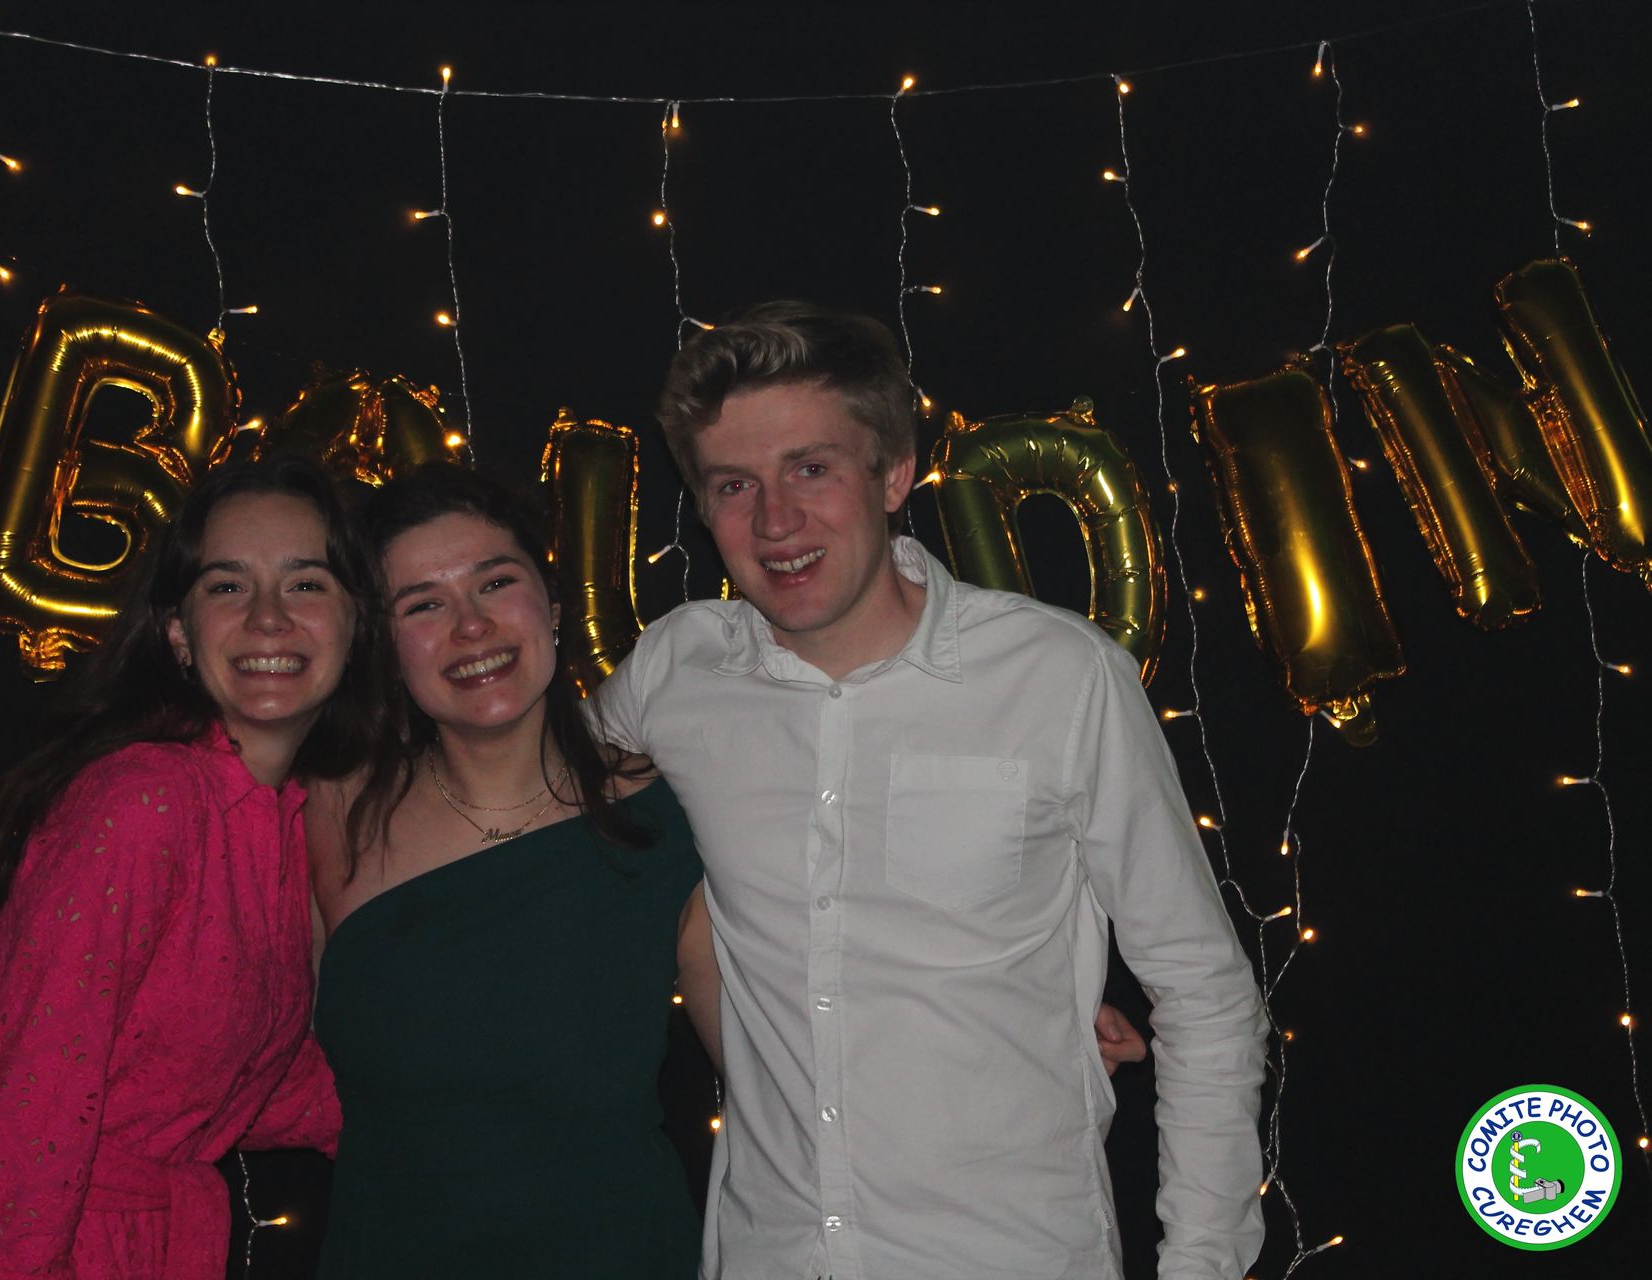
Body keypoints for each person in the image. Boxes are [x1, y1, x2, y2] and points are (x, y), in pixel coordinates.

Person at [590, 301, 1269, 1278]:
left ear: (895, 472)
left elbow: (1204, 993)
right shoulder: (679, 669)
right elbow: (536, 814)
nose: (775, 521)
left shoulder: (1058, 675)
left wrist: (1201, 1264)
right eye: (736, 484)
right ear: (702, 504)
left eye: (811, 469)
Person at [0, 455, 386, 1279]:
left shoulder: (281, 819)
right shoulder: (145, 798)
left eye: (305, 583)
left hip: (142, 1241)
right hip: (38, 1244)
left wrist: (448, 1110)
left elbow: (228, 1078)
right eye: (227, 585)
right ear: (178, 632)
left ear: (354, 623)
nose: (268, 617)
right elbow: (28, 1112)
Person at [299, 464, 714, 1277]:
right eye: (423, 604)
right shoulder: (331, 813)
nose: (471, 626)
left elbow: (772, 1074)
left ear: (551, 607)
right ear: (385, 646)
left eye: (495, 583)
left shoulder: (666, 814)